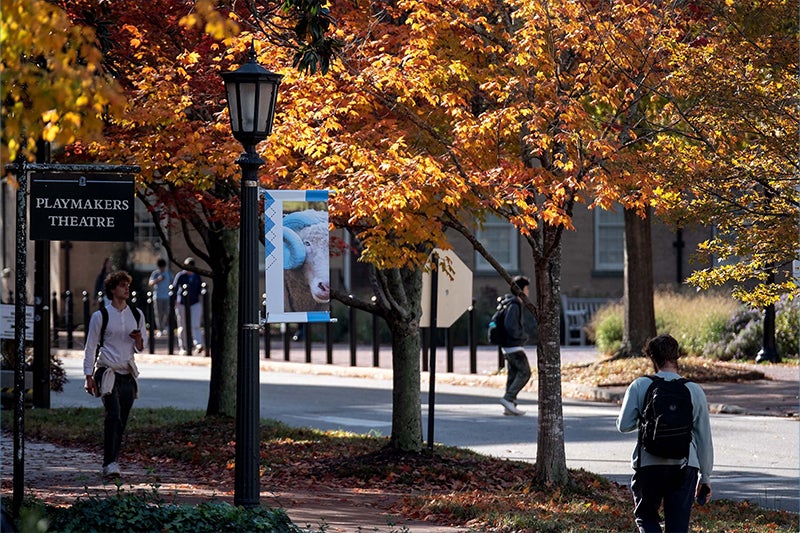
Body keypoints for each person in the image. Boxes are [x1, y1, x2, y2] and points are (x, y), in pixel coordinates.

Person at [616, 334, 714, 533]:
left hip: (648, 464)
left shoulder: (639, 385)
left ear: (652, 358)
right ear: (677, 357)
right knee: (678, 526)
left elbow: (624, 425)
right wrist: (705, 477)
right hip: (685, 465)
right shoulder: (694, 390)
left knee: (646, 517)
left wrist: (646, 420)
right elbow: (704, 437)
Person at [83, 270, 146, 478]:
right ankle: (109, 463)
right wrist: (88, 376)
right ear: (112, 289)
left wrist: (137, 340)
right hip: (106, 370)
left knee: (122, 419)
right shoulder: (101, 316)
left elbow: (140, 347)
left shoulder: (136, 314)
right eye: (122, 285)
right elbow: (91, 346)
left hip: (127, 372)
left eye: (128, 285)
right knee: (113, 414)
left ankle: (114, 459)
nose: (127, 289)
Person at [498, 275, 532, 416]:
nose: (528, 291)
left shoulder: (509, 303)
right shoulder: (514, 305)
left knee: (513, 375)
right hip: (514, 346)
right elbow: (510, 326)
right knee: (525, 372)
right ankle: (508, 398)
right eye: (527, 288)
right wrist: (522, 336)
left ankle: (509, 406)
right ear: (522, 290)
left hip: (507, 346)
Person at [173, 257, 203, 355]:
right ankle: (184, 347)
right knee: (183, 326)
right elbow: (174, 288)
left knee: (195, 324)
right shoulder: (180, 276)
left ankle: (198, 344)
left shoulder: (197, 276)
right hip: (182, 303)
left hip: (194, 302)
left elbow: (200, 289)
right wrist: (174, 302)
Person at [148, 258, 173, 336]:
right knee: (159, 314)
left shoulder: (169, 273)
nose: (162, 269)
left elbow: (173, 283)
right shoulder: (155, 273)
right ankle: (160, 329)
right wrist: (158, 280)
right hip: (158, 296)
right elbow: (150, 283)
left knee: (167, 313)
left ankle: (166, 327)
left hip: (167, 296)